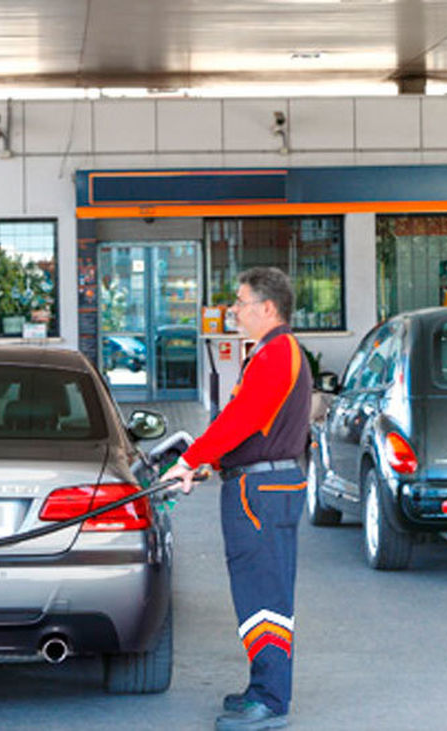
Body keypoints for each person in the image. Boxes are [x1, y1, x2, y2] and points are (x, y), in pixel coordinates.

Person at [163, 267, 312, 731]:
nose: (234, 310)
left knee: (261, 594)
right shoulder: (278, 352)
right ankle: (264, 687)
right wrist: (212, 462)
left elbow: (241, 418)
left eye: (241, 302)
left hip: (260, 492)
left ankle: (269, 700)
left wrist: (191, 459)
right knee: (266, 590)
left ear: (267, 308)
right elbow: (252, 427)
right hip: (268, 483)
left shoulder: (274, 354)